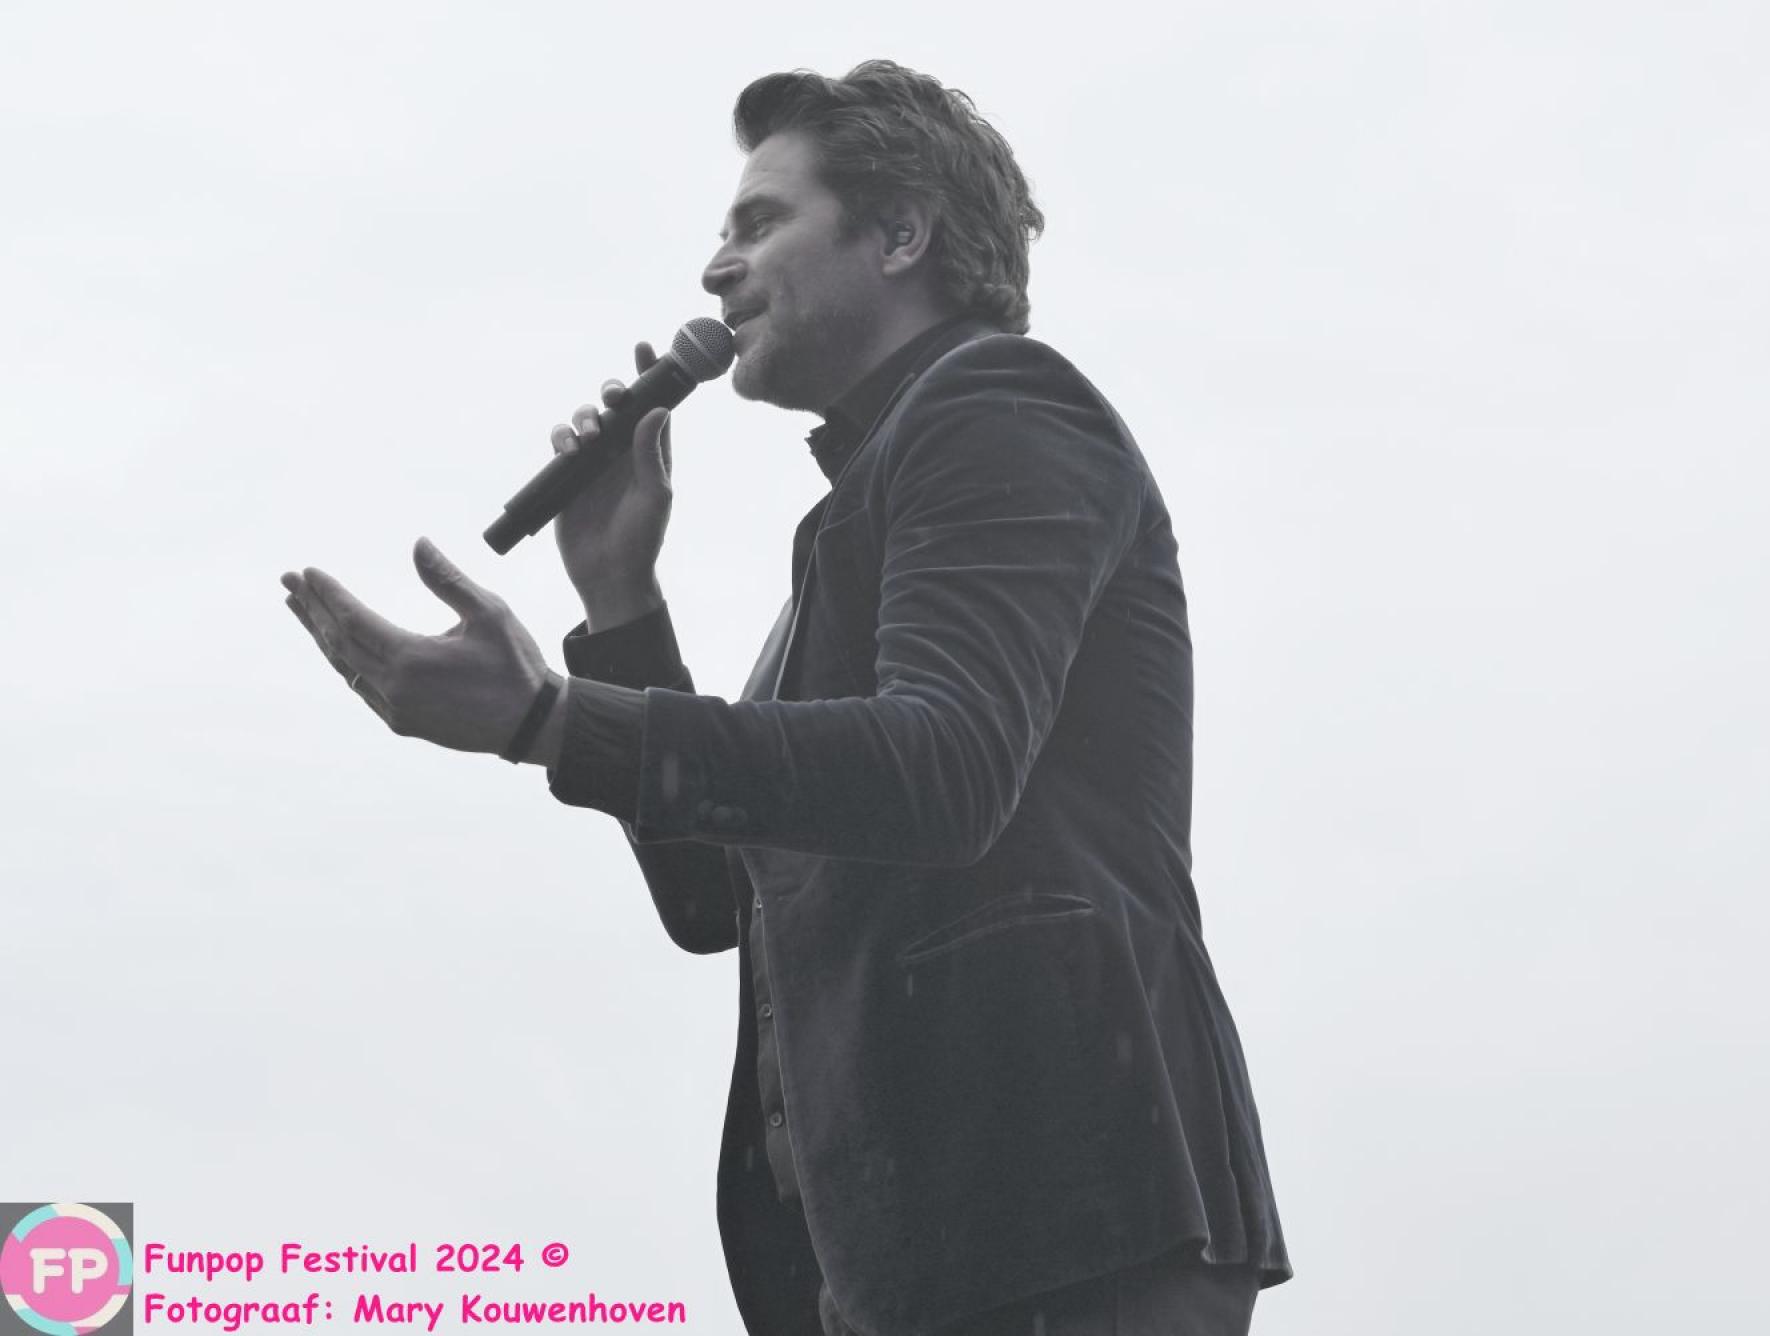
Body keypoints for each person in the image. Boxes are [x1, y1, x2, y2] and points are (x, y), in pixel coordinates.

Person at [283, 60, 1289, 1336]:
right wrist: (618, 603)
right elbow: (716, 901)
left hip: (1058, 1214)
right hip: (908, 1260)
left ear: (900, 233)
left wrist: (546, 718)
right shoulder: (850, 522)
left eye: (759, 223)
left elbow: (945, 771)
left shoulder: (996, 404)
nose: (715, 269)